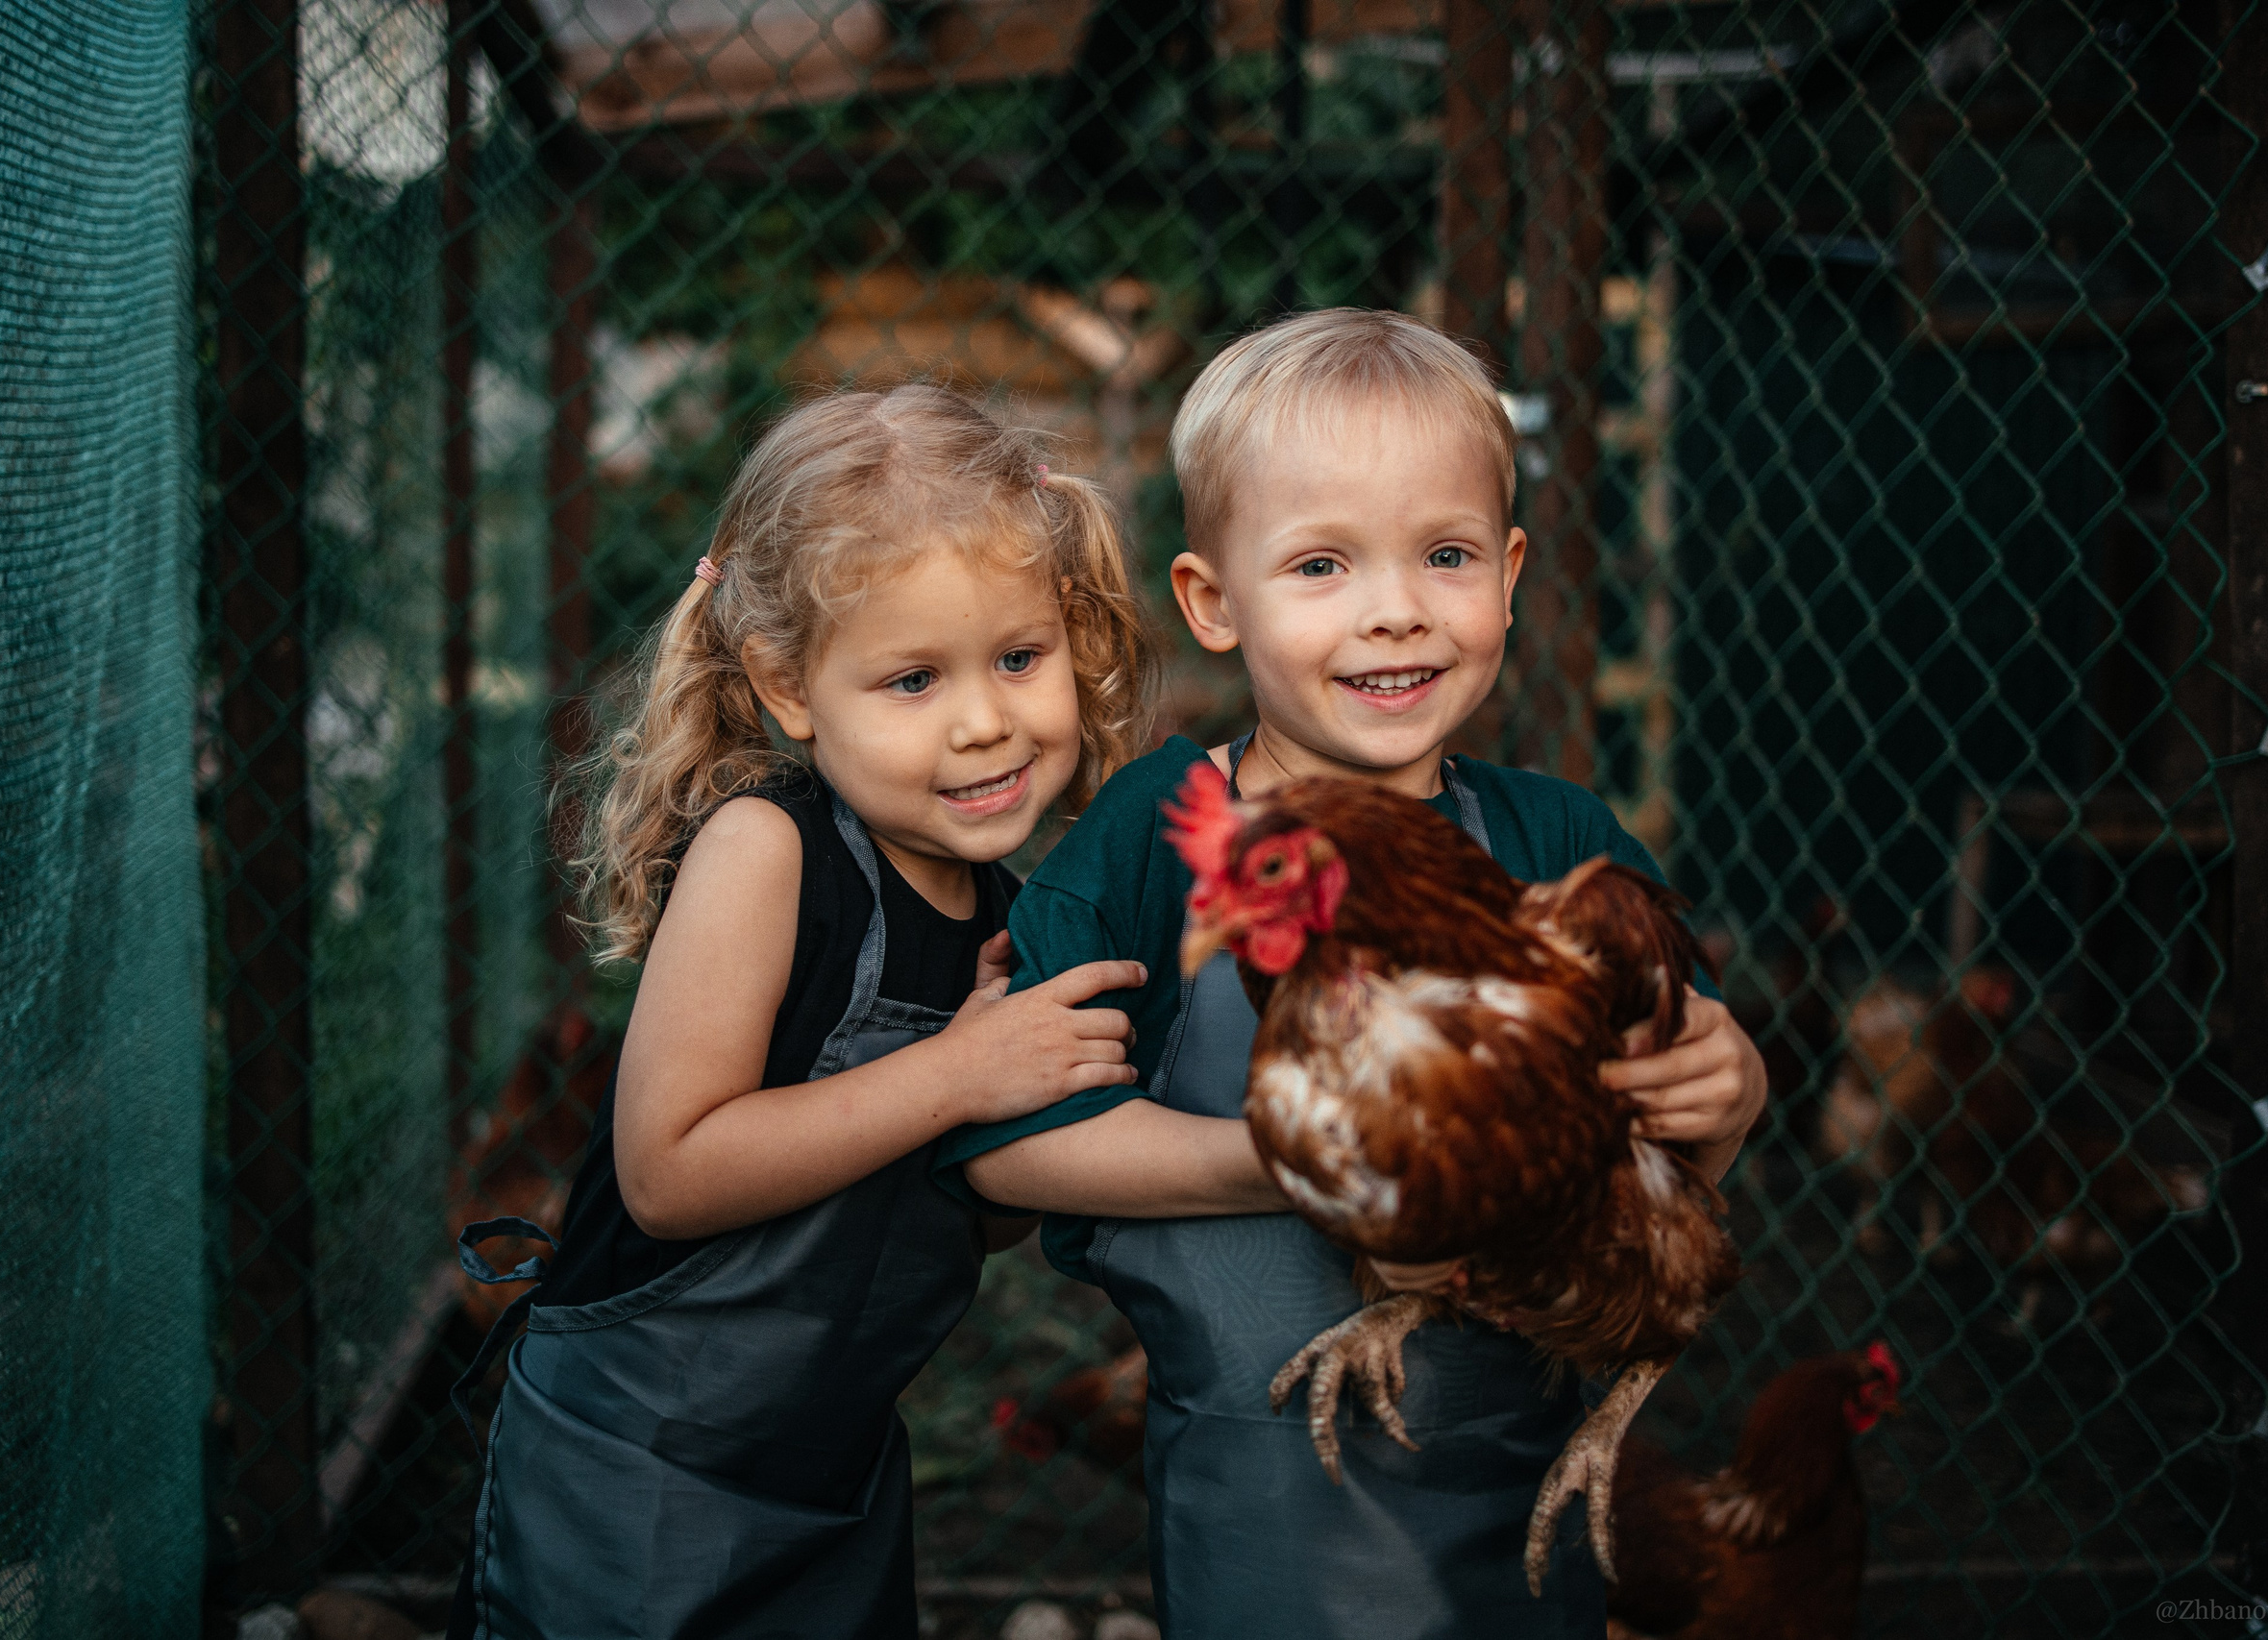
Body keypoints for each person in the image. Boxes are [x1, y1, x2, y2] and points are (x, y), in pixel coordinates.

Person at [937, 309, 1769, 1639]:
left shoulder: (1557, 844)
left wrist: (1731, 1080)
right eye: (1321, 564)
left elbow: (1670, 1151)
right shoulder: (1158, 841)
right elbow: (1011, 1146)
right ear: (1214, 602)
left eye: (1445, 556)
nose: (1396, 609)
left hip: (1522, 1508)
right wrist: (1319, 1154)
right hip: (1262, 1519)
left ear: (1508, 575)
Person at [448, 385, 1157, 1640]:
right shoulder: (765, 851)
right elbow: (668, 1173)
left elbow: (956, 1219)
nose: (986, 718)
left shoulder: (1016, 912)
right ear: (789, 686)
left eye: (1018, 657)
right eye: (912, 678)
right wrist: (959, 1075)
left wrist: (1040, 1114)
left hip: (831, 1479)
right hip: (635, 1477)